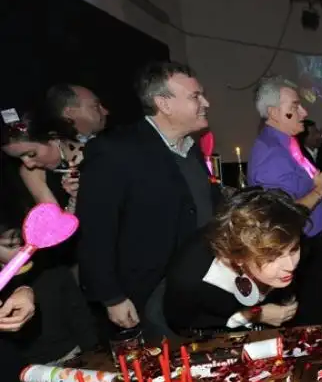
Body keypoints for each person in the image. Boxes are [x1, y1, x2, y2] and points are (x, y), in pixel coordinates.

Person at [77, 62, 221, 337]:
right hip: (149, 293)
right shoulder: (115, 151)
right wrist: (111, 296)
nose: (206, 102)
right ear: (164, 104)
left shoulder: (190, 149)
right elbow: (96, 230)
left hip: (197, 284)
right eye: (195, 96)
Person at [248, 76, 322, 326]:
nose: (304, 112)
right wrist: (320, 191)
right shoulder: (271, 154)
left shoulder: (288, 143)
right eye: (295, 106)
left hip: (309, 245)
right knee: (308, 323)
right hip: (294, 252)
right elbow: (282, 215)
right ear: (274, 112)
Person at [164, 188, 306, 331]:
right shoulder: (190, 277)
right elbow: (181, 326)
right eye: (272, 258)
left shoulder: (282, 242)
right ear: (239, 258)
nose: (290, 265)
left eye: (294, 249)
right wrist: (253, 315)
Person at [1, 113, 82, 211]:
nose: (28, 164)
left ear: (53, 137)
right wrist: (75, 199)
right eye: (18, 158)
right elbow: (54, 222)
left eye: (31, 154)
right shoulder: (31, 172)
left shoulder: (94, 152)